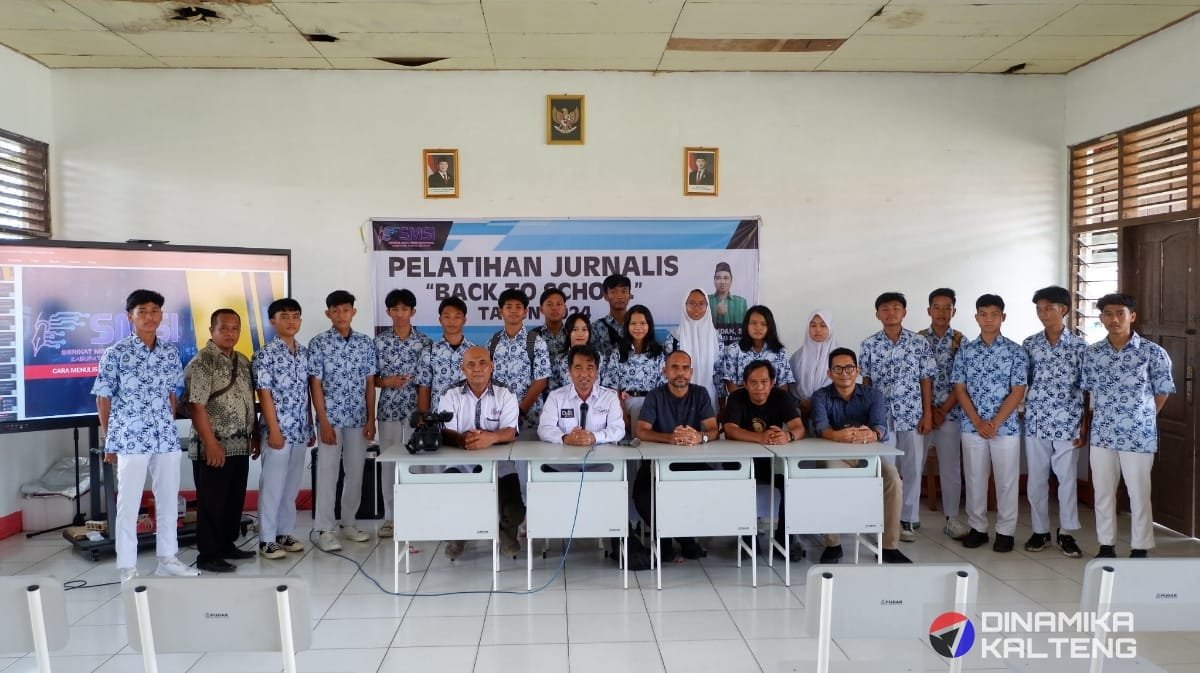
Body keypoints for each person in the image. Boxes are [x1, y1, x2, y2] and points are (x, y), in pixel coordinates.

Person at [92, 289, 199, 582]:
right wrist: (110, 440)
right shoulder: (116, 353)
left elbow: (172, 395)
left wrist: (169, 422)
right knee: (128, 503)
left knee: (168, 499)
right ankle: (127, 567)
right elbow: (103, 399)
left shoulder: (169, 352)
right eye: (142, 311)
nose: (149, 317)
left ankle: (168, 558)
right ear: (130, 317)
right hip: (130, 437)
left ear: (161, 315)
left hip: (164, 437)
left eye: (154, 311)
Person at [1081, 293, 1175, 558]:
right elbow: (1088, 392)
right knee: (1103, 492)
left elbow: (1162, 390)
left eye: (1120, 313)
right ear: (1101, 318)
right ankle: (1106, 545)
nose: (1114, 319)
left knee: (1138, 492)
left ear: (1131, 316)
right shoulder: (1093, 354)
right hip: (1102, 434)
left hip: (1139, 435)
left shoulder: (1152, 352)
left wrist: (1144, 415)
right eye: (1108, 314)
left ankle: (1140, 546)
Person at [811, 347, 911, 564]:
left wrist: (873, 434)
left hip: (867, 452)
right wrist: (838, 436)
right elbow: (821, 428)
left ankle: (889, 545)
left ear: (857, 370)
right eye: (838, 368)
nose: (844, 373)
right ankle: (833, 544)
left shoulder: (873, 395)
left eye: (849, 368)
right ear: (829, 373)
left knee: (893, 478)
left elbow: (880, 427)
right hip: (834, 453)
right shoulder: (820, 396)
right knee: (829, 477)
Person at [951, 294, 1028, 553]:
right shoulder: (966, 351)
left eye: (994, 314)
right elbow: (960, 389)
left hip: (1005, 428)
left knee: (1007, 480)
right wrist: (977, 421)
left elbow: (1018, 390)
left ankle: (1005, 532)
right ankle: (978, 528)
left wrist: (994, 422)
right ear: (976, 317)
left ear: (1003, 317)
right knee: (975, 478)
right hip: (971, 426)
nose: (988, 319)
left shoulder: (1016, 351)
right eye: (983, 314)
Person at [183, 309, 256, 573]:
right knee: (212, 502)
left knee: (233, 499)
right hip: (212, 446)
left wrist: (255, 435)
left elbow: (250, 401)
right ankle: (208, 554)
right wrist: (211, 443)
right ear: (211, 330)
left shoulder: (243, 360)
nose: (229, 333)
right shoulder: (203, 361)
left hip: (240, 445)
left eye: (234, 328)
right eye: (223, 328)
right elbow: (196, 406)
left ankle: (226, 545)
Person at [859, 291, 934, 542]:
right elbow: (866, 382)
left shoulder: (919, 343)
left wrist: (927, 413)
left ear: (904, 312)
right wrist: (868, 417)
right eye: (885, 309)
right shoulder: (869, 345)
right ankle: (882, 519)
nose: (890, 313)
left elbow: (926, 380)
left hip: (913, 415)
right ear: (877, 314)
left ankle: (908, 519)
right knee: (885, 469)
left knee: (913, 467)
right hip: (881, 418)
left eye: (895, 308)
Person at [309, 290, 377, 552]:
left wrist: (371, 419)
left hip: (358, 418)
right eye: (335, 311)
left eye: (345, 310)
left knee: (355, 472)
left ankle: (349, 523)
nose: (341, 315)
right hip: (331, 419)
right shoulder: (319, 343)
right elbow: (315, 385)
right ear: (328, 313)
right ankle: (324, 529)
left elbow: (370, 384)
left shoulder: (364, 343)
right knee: (328, 473)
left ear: (353, 312)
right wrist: (323, 422)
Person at [634, 350, 719, 563]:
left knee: (715, 487)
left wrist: (700, 437)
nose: (680, 373)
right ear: (665, 371)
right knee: (642, 496)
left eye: (684, 368)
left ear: (691, 372)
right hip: (656, 464)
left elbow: (713, 429)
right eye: (674, 367)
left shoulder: (700, 394)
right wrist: (669, 438)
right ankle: (674, 540)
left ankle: (682, 537)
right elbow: (641, 431)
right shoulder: (655, 395)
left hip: (692, 463)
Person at [435, 346, 519, 560]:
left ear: (492, 367)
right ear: (462, 369)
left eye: (483, 363)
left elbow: (510, 431)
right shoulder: (450, 394)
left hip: (499, 464)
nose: (477, 369)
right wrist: (466, 441)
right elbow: (446, 432)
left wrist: (491, 438)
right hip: (460, 462)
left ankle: (506, 532)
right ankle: (458, 536)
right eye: (471, 365)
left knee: (515, 508)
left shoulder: (506, 393)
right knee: (450, 498)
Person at [1021, 286, 1087, 558]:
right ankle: (1040, 531)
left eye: (1048, 308)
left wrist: (1085, 423)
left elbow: (1087, 388)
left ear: (1064, 309)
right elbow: (1024, 382)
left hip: (1068, 422)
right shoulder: (1030, 344)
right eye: (1039, 309)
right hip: (1036, 420)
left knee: (1066, 478)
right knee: (1036, 478)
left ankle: (1067, 532)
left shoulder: (1080, 347)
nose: (1043, 314)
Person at [487, 288, 552, 555]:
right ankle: (508, 529)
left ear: (525, 312)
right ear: (500, 311)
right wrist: (505, 415)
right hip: (499, 422)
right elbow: (487, 379)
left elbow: (541, 380)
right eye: (508, 307)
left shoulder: (535, 341)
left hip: (529, 418)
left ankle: (531, 526)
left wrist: (520, 410)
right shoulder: (493, 342)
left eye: (518, 307)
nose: (513, 311)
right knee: (504, 474)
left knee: (527, 476)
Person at [723, 360, 806, 558]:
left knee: (792, 484)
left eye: (764, 382)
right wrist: (760, 438)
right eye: (753, 382)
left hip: (772, 461)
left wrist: (788, 436)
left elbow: (799, 427)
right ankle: (747, 537)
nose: (759, 387)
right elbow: (730, 430)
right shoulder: (736, 398)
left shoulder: (781, 397)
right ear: (745, 383)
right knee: (739, 484)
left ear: (772, 382)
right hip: (742, 462)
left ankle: (784, 539)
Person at [253, 298, 312, 560]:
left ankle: (283, 533)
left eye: (295, 316)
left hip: (299, 428)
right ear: (272, 321)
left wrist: (309, 424)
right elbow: (263, 394)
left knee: (291, 486)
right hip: (277, 430)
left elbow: (306, 392)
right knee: (273, 485)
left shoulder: (304, 353)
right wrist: (273, 430)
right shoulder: (265, 354)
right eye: (284, 316)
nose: (291, 321)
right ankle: (266, 539)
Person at [373, 289, 431, 539]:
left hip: (415, 412)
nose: (400, 314)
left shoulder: (424, 342)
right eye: (395, 309)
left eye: (404, 309)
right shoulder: (379, 342)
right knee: (389, 464)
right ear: (388, 312)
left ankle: (415, 515)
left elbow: (427, 381)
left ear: (412, 311)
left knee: (415, 464)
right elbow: (370, 379)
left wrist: (423, 413)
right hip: (388, 411)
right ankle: (391, 518)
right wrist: (386, 382)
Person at [918, 288, 970, 541]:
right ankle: (908, 519)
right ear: (929, 310)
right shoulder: (917, 339)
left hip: (951, 413)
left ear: (954, 311)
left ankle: (952, 518)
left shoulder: (961, 341)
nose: (941, 312)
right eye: (936, 307)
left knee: (950, 468)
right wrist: (928, 411)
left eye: (946, 308)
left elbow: (962, 380)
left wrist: (942, 411)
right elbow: (915, 378)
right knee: (913, 465)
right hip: (920, 415)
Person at [416, 297, 476, 416]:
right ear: (440, 319)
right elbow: (424, 388)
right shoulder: (429, 352)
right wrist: (423, 418)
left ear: (464, 320)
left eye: (457, 317)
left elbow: (480, 386)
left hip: (468, 418)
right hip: (438, 418)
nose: (452, 321)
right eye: (447, 316)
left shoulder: (475, 352)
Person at [665, 288, 722, 409]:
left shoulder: (716, 337)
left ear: (707, 307)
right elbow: (668, 371)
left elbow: (719, 372)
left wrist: (722, 403)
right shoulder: (674, 337)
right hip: (679, 397)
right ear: (684, 305)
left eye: (701, 304)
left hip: (709, 397)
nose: (696, 308)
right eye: (692, 303)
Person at [615, 305, 666, 434]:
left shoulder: (658, 353)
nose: (638, 327)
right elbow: (612, 387)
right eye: (633, 323)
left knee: (648, 443)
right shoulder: (618, 353)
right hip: (625, 405)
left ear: (649, 326)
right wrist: (622, 413)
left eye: (643, 323)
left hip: (651, 405)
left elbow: (663, 386)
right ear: (627, 326)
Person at [721, 305, 795, 394]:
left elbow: (783, 385)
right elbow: (730, 383)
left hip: (772, 401)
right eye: (753, 323)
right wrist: (741, 402)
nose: (758, 328)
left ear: (770, 327)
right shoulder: (734, 350)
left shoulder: (779, 351)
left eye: (763, 324)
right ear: (746, 325)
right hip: (742, 400)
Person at [788, 310, 836, 428]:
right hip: (800, 411)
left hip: (831, 413)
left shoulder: (839, 356)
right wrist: (801, 403)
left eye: (823, 325)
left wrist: (815, 401)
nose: (817, 329)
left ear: (830, 328)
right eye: (813, 325)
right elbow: (790, 386)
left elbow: (841, 385)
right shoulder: (797, 357)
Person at [552, 313, 616, 391]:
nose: (580, 334)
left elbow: (608, 387)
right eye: (575, 329)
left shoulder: (600, 358)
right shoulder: (559, 360)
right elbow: (553, 388)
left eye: (584, 329)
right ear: (567, 332)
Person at [591, 274, 631, 356]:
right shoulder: (595, 328)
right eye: (613, 292)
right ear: (605, 296)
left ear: (629, 296)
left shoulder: (639, 325)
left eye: (624, 291)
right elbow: (593, 358)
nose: (619, 296)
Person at [530, 287, 569, 369]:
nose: (554, 308)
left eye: (559, 304)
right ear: (541, 309)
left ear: (565, 309)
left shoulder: (573, 333)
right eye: (549, 304)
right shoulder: (533, 335)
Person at [708, 262, 748, 326]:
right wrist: (716, 314)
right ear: (714, 280)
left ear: (731, 280)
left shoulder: (741, 302)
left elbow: (746, 327)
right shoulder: (706, 301)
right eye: (718, 278)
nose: (722, 282)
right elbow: (701, 326)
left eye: (726, 278)